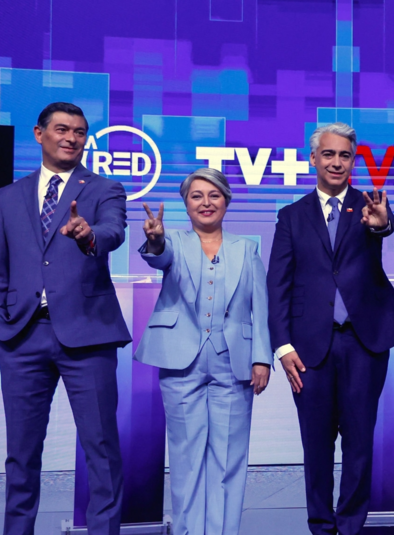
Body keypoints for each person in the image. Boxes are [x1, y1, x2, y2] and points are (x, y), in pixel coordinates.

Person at [0, 102, 130, 535]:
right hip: (21, 337)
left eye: (80, 132)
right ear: (39, 133)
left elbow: (113, 231)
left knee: (101, 448)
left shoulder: (105, 188)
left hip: (88, 335)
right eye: (62, 129)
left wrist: (88, 234)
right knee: (21, 453)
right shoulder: (9, 196)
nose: (71, 138)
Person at [267, 123, 394, 535]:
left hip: (365, 342)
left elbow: (384, 226)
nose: (336, 162)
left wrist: (381, 224)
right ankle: (320, 525)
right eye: (328, 154)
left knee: (360, 442)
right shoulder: (291, 216)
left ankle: (350, 526)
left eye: (344, 155)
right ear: (313, 159)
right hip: (308, 347)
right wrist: (282, 346)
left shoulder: (370, 205)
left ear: (353, 161)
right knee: (315, 444)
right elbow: (277, 284)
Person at [134, 168, 272, 534]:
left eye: (214, 195)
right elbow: (158, 255)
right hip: (181, 362)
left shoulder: (247, 249)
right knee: (187, 458)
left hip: (233, 363)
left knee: (228, 459)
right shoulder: (173, 241)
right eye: (197, 196)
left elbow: (260, 307)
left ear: (226, 200)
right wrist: (155, 240)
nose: (206, 203)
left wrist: (262, 357)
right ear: (186, 204)